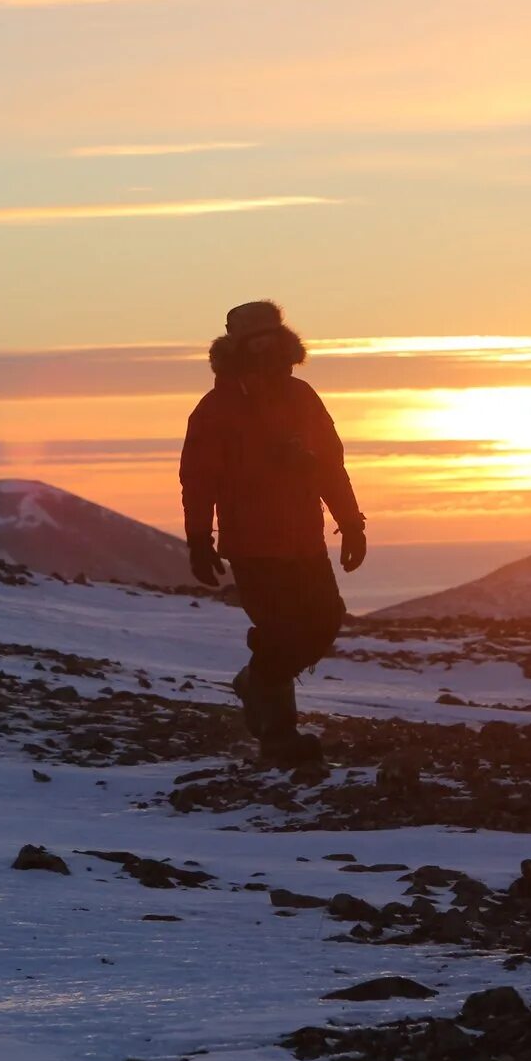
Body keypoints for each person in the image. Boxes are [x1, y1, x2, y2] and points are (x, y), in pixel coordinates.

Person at [179, 299, 367, 766]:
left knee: (324, 622)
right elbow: (198, 478)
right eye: (254, 340)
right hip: (252, 547)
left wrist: (351, 522)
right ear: (237, 347)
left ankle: (254, 682)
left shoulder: (303, 397)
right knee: (280, 631)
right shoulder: (216, 408)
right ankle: (278, 736)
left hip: (305, 538)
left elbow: (330, 466)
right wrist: (199, 539)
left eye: (271, 337)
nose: (265, 347)